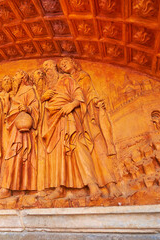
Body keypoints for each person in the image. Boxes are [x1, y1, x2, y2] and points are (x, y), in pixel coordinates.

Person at [59, 57, 121, 197]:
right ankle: (92, 185)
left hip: (88, 114)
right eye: (61, 65)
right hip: (74, 120)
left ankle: (111, 184)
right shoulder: (63, 82)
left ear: (74, 62)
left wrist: (96, 102)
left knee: (99, 147)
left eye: (66, 62)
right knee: (80, 151)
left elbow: (91, 92)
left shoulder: (83, 76)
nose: (63, 65)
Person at [41, 60, 101, 200]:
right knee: (58, 152)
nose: (46, 70)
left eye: (48, 66)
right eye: (44, 68)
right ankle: (59, 187)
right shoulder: (48, 87)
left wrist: (73, 105)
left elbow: (78, 93)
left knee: (78, 146)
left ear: (55, 67)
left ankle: (92, 185)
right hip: (53, 119)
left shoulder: (66, 79)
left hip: (69, 116)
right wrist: (44, 98)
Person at [0, 70, 39, 199]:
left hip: (23, 128)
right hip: (14, 127)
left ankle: (9, 188)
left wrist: (28, 108)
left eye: (16, 76)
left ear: (23, 77)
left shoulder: (29, 89)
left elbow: (35, 105)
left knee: (18, 154)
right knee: (13, 154)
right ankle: (10, 187)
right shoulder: (16, 93)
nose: (14, 79)